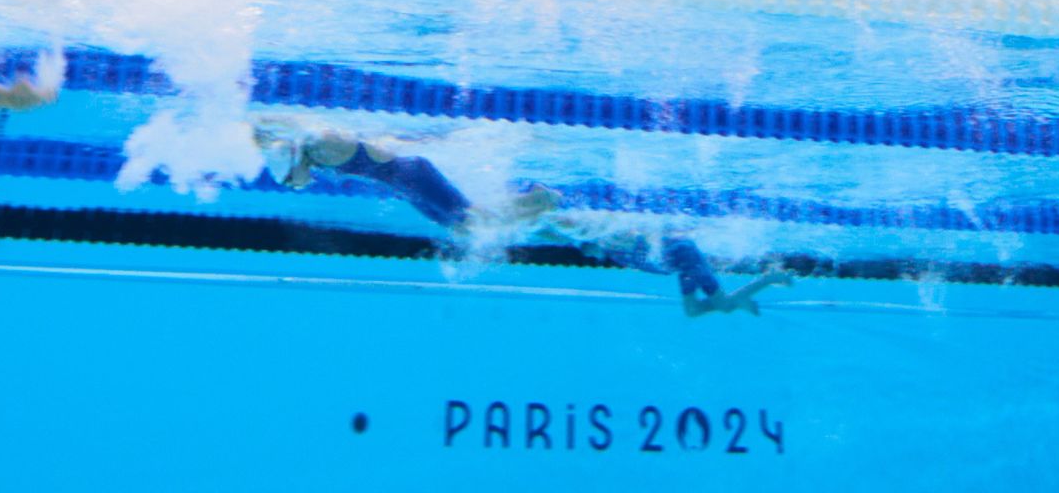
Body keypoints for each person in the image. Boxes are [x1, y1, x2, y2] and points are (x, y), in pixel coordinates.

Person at [258, 123, 789, 316]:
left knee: (471, 225)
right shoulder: (677, 257)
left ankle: (539, 197)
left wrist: (768, 279)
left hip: (413, 176)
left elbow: (707, 305)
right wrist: (765, 280)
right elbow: (705, 308)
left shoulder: (321, 148)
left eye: (289, 179)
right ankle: (539, 199)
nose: (297, 187)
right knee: (473, 226)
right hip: (409, 180)